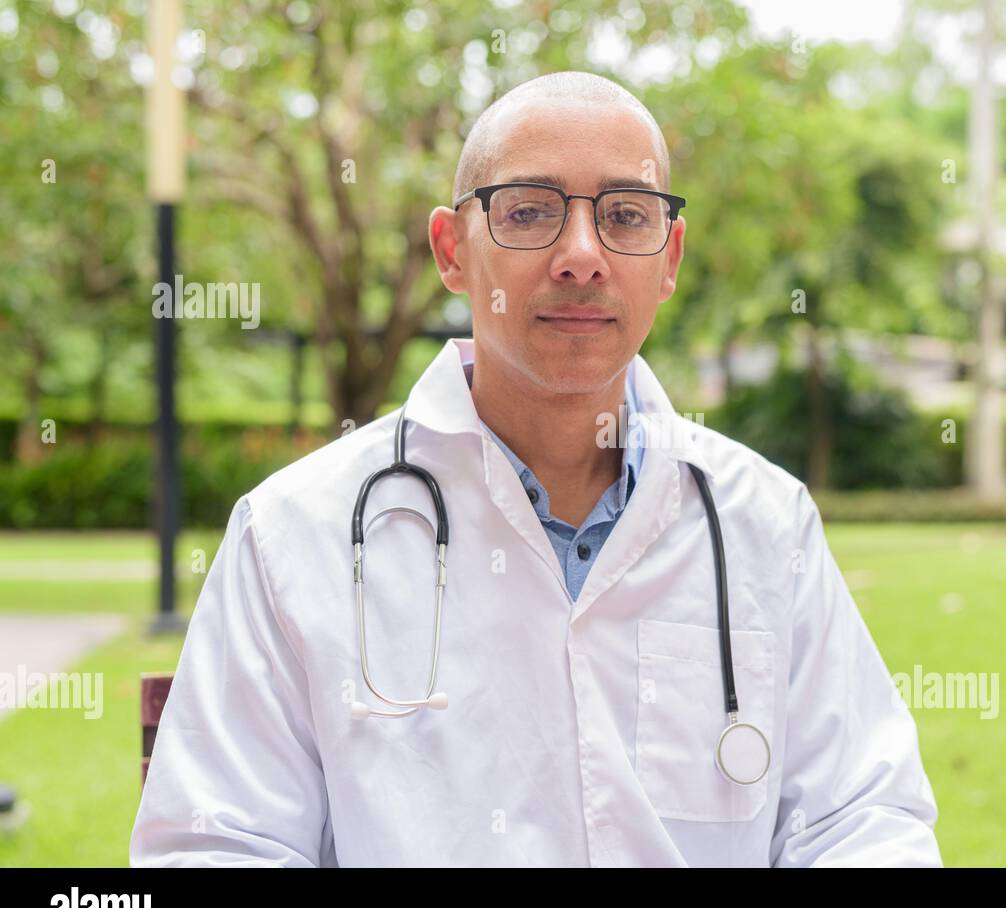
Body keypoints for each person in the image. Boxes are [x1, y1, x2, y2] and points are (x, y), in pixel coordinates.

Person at [130, 71, 942, 867]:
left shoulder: (764, 519)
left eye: (626, 214)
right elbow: (217, 842)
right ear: (452, 251)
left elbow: (860, 816)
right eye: (529, 211)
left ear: (669, 258)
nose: (582, 256)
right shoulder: (293, 532)